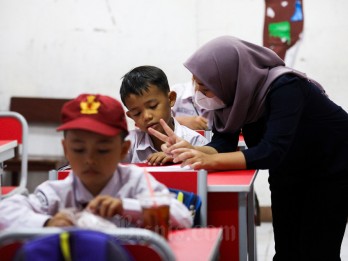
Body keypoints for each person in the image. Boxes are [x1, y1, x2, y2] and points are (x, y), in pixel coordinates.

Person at [148, 36, 348, 260]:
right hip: (289, 167)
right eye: (197, 85)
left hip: (332, 165)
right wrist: (191, 151)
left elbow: (271, 151)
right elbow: (224, 143)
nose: (200, 94)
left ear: (228, 76)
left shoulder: (285, 87)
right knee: (286, 251)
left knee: (318, 252)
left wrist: (209, 161)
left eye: (205, 88)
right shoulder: (234, 95)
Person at [0, 93, 193, 230]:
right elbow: (5, 211)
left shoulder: (136, 182)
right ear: (66, 150)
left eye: (102, 150)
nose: (90, 160)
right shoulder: (57, 192)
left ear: (123, 150)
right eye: (78, 149)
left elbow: (183, 216)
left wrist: (125, 206)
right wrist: (47, 223)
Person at [119, 65, 208, 165]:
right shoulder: (128, 144)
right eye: (137, 113)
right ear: (131, 116)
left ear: (171, 99)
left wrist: (182, 155)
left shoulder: (196, 141)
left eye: (153, 106)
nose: (147, 116)